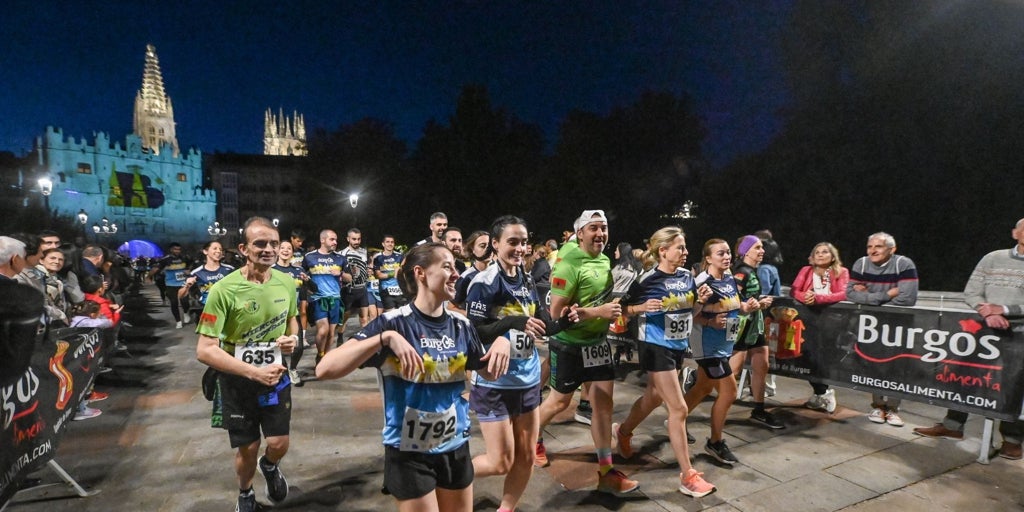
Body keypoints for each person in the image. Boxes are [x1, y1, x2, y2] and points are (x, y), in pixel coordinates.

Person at [316, 243, 501, 512]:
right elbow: (325, 369)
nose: (456, 275)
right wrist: (384, 339)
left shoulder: (462, 325)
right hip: (409, 453)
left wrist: (502, 343)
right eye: (447, 266)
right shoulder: (394, 322)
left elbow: (487, 371)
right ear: (421, 273)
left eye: (456, 268)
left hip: (455, 446)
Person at [196, 216, 299, 512]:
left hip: (276, 376)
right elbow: (204, 350)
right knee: (248, 447)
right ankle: (246, 492)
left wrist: (293, 339)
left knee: (278, 443)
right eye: (260, 243)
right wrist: (254, 371)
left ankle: (270, 466)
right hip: (237, 381)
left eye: (274, 244)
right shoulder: (223, 291)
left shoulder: (287, 282)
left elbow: (292, 321)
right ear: (243, 248)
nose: (268, 249)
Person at [534, 210, 640, 496]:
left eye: (604, 228)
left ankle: (606, 470)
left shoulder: (604, 260)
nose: (600, 234)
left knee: (603, 405)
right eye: (593, 228)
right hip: (569, 344)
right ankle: (533, 438)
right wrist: (598, 311)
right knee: (558, 402)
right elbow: (556, 314)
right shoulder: (568, 264)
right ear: (580, 233)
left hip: (597, 344)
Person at [612, 227, 716, 497]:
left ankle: (623, 432)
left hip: (678, 346)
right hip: (655, 346)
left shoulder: (686, 276)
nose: (686, 252)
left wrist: (699, 303)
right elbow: (620, 308)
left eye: (685, 247)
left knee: (654, 397)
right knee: (679, 409)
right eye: (680, 247)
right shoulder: (647, 278)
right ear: (663, 251)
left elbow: (688, 312)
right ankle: (688, 476)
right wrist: (639, 308)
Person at [913, 218, 1024, 459]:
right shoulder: (992, 258)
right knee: (965, 376)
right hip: (984, 330)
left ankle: (1013, 439)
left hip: (1019, 334)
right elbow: (971, 291)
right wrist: (986, 311)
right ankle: (953, 426)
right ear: (1014, 232)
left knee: (1013, 384)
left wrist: (1003, 310)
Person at [466, 216, 550, 512]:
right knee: (500, 461)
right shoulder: (485, 281)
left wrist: (577, 317)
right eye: (512, 242)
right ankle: (447, 477)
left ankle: (506, 509)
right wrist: (513, 323)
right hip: (495, 381)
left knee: (526, 457)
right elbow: (475, 329)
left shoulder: (527, 279)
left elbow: (543, 325)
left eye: (524, 242)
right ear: (496, 244)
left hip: (527, 381)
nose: (520, 248)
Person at [685, 238, 758, 465]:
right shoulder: (701, 281)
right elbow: (688, 313)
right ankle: (715, 442)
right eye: (720, 254)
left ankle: (676, 418)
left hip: (725, 344)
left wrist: (748, 307)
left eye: (728, 253)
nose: (726, 257)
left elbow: (734, 306)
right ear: (708, 258)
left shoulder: (728, 278)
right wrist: (710, 322)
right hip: (708, 346)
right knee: (729, 392)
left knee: (703, 387)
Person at [846, 232, 918, 427]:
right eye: (869, 247)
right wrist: (888, 294)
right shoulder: (860, 264)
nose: (872, 251)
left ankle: (893, 409)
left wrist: (869, 295)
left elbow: (907, 298)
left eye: (878, 247)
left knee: (897, 366)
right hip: (871, 324)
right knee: (873, 364)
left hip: (898, 324)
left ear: (892, 249)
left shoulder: (903, 264)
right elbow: (850, 294)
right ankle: (878, 406)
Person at [789, 242, 849, 413]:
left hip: (831, 321)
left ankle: (821, 392)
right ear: (812, 256)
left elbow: (844, 293)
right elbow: (793, 291)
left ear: (832, 256)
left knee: (824, 357)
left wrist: (818, 298)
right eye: (817, 252)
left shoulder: (842, 272)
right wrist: (805, 297)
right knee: (806, 355)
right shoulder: (805, 270)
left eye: (825, 252)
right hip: (807, 319)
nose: (821, 255)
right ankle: (822, 392)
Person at [728, 235, 780, 429]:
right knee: (732, 371)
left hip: (754, 324)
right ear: (745, 251)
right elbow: (733, 298)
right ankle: (701, 390)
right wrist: (758, 303)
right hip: (741, 325)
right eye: (757, 247)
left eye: (762, 247)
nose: (762, 251)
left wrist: (759, 303)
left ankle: (759, 409)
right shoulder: (741, 271)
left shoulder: (753, 271)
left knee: (762, 364)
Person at [303, 229, 351, 366]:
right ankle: (320, 354)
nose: (335, 242)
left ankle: (325, 358)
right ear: (322, 240)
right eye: (332, 239)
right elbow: (301, 275)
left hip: (335, 299)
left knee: (331, 333)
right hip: (318, 299)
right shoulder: (309, 257)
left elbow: (349, 278)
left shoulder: (340, 258)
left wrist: (340, 273)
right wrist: (306, 286)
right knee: (323, 330)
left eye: (336, 240)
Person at [274, 240, 310, 386]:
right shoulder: (270, 270)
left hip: (292, 315)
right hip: (274, 316)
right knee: (274, 346)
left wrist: (307, 282)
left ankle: (293, 369)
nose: (285, 250)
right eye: (282, 248)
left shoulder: (298, 271)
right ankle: (279, 371)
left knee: (299, 347)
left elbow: (312, 288)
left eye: (289, 248)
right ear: (277, 251)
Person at [180, 240, 235, 314]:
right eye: (215, 248)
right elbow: (180, 295)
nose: (218, 251)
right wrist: (187, 285)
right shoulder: (196, 273)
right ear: (205, 251)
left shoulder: (229, 269)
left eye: (220, 249)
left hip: (227, 310)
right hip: (206, 312)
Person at [149, 243, 193, 329]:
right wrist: (149, 276)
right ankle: (178, 321)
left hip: (183, 284)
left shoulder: (184, 258)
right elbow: (156, 268)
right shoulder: (165, 260)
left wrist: (188, 271)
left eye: (179, 249)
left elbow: (191, 265)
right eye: (175, 249)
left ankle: (186, 312)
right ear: (171, 250)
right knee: (174, 303)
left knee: (185, 302)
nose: (177, 251)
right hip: (170, 284)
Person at [340, 228, 371, 328]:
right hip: (349, 291)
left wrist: (369, 271)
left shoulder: (364, 252)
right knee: (344, 319)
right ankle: (340, 337)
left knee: (364, 319)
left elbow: (367, 267)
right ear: (348, 239)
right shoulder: (342, 254)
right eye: (354, 239)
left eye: (359, 239)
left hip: (362, 289)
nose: (357, 242)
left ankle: (364, 341)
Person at [374, 235, 406, 312]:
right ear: (383, 244)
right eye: (387, 242)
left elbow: (404, 271)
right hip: (386, 290)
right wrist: (393, 273)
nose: (390, 244)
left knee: (401, 315)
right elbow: (378, 275)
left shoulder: (400, 256)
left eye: (392, 242)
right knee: (391, 315)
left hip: (399, 290)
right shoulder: (378, 258)